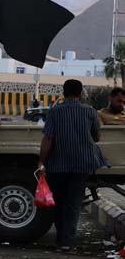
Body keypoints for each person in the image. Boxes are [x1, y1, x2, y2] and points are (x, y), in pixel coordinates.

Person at [39, 79, 108, 253]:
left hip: (58, 164)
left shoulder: (55, 112)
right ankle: (67, 242)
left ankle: (60, 239)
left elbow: (48, 138)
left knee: (59, 202)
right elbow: (97, 138)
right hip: (82, 164)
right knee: (73, 204)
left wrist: (42, 161)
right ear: (80, 93)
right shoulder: (90, 111)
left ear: (64, 92)